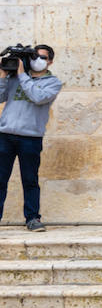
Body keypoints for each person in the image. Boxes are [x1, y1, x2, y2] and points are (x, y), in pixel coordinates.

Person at [0, 44, 62, 232]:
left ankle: (33, 218)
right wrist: (3, 76)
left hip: (31, 138)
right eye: (34, 56)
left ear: (50, 61)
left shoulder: (53, 82)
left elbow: (37, 97)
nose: (37, 60)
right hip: (5, 135)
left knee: (30, 179)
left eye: (42, 57)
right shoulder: (14, 78)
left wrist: (21, 74)